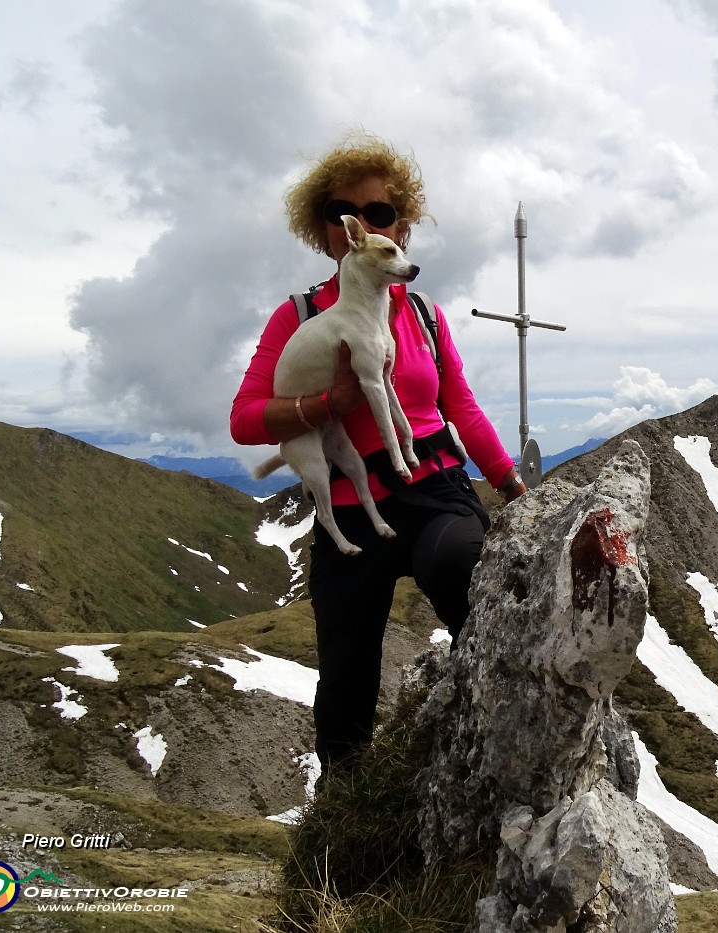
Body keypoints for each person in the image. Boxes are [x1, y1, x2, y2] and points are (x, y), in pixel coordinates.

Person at [231, 133, 526, 778]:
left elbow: (463, 409)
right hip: (348, 505)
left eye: (382, 213)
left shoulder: (422, 314)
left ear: (403, 224)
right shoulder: (300, 317)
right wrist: (326, 405)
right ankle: (346, 840)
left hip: (436, 488)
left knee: (461, 567)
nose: (363, 225)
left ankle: (502, 753)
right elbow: (246, 420)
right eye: (346, 213)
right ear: (326, 232)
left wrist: (509, 483)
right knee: (343, 695)